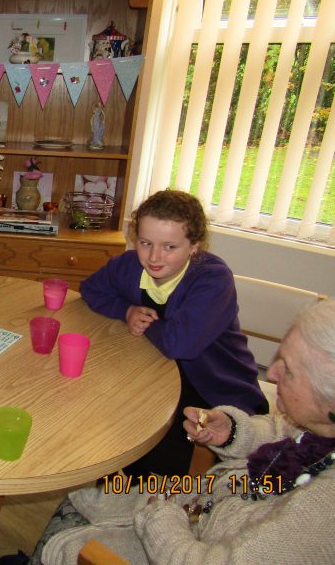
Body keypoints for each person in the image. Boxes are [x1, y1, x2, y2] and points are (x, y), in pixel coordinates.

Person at [36, 299, 335, 565]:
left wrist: (161, 515)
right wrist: (233, 431)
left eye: (289, 370)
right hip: (199, 500)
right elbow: (280, 430)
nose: (271, 373)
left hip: (187, 537)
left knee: (68, 547)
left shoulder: (320, 517)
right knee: (86, 494)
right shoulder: (321, 425)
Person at [80, 189, 268, 478]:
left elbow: (180, 344)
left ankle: (154, 499)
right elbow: (91, 289)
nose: (154, 257)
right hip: (154, 370)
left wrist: (147, 324)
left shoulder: (212, 278)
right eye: (145, 243)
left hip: (214, 385)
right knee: (102, 412)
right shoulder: (130, 265)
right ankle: (119, 490)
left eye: (170, 247)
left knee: (156, 440)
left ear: (195, 246)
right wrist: (126, 310)